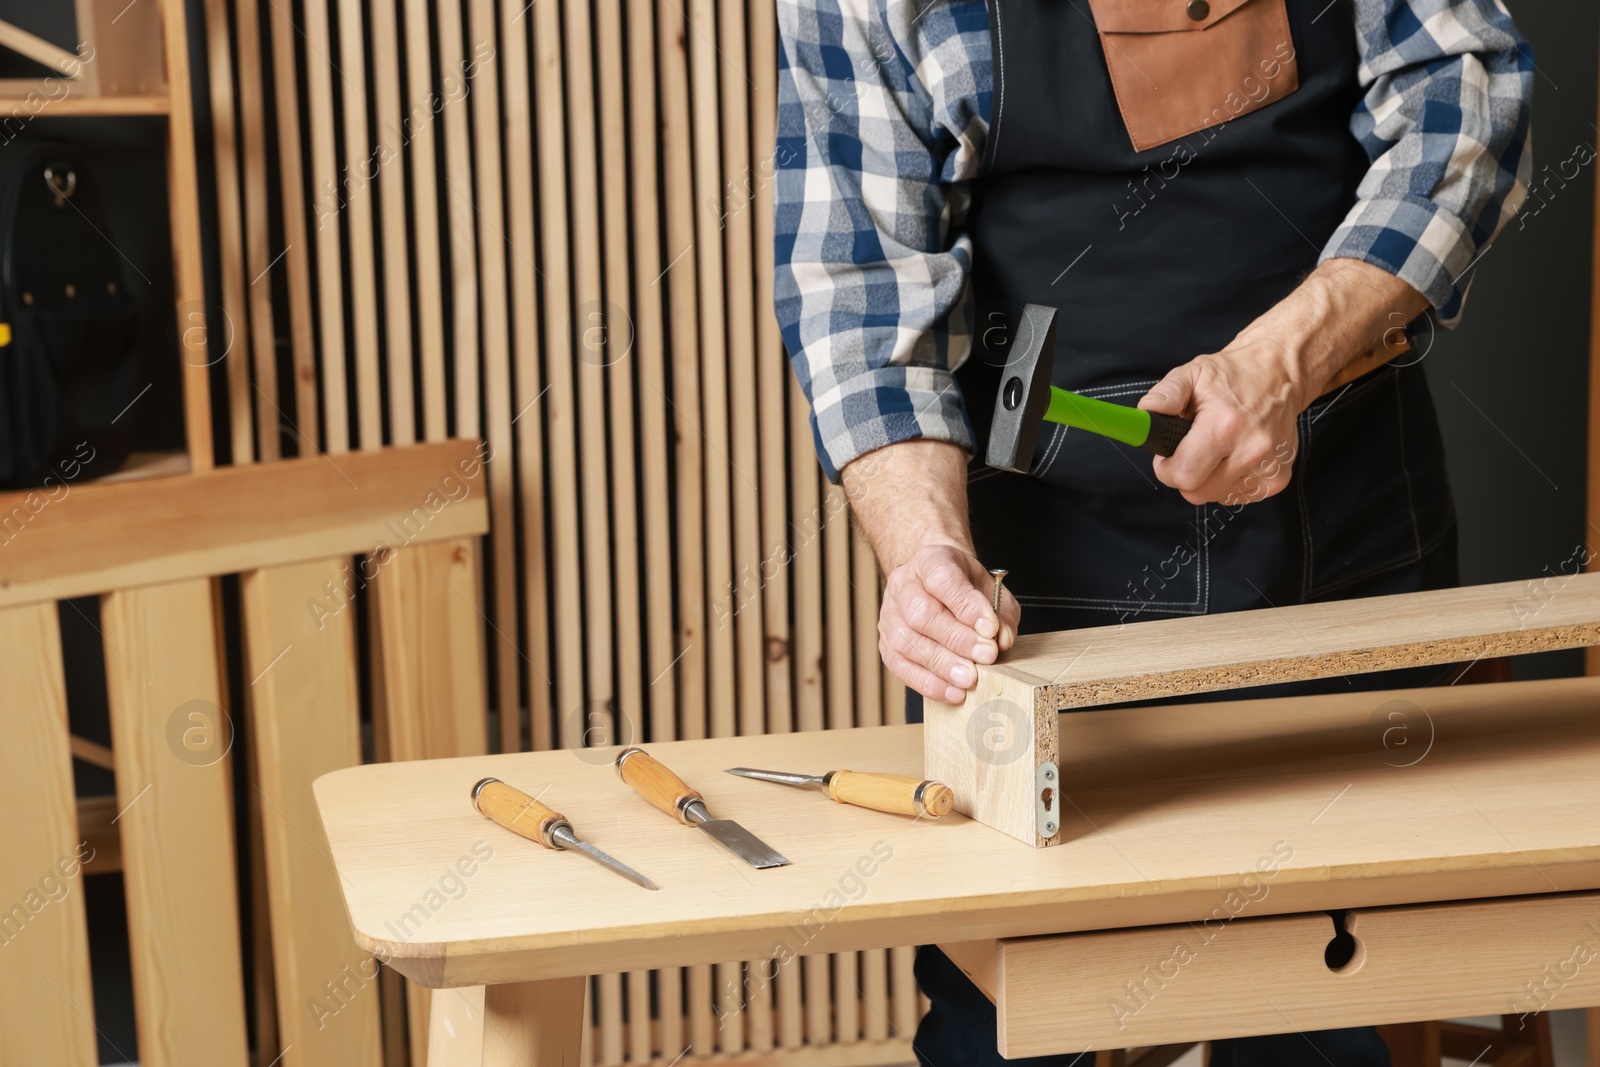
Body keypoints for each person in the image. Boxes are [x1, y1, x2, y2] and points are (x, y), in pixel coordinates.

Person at [774, 0, 1533, 1063]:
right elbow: (855, 293)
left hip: (1338, 555)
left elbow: (1469, 96)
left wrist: (1283, 362)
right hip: (1044, 607)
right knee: (1007, 1022)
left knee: (1323, 1008)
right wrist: (924, 554)